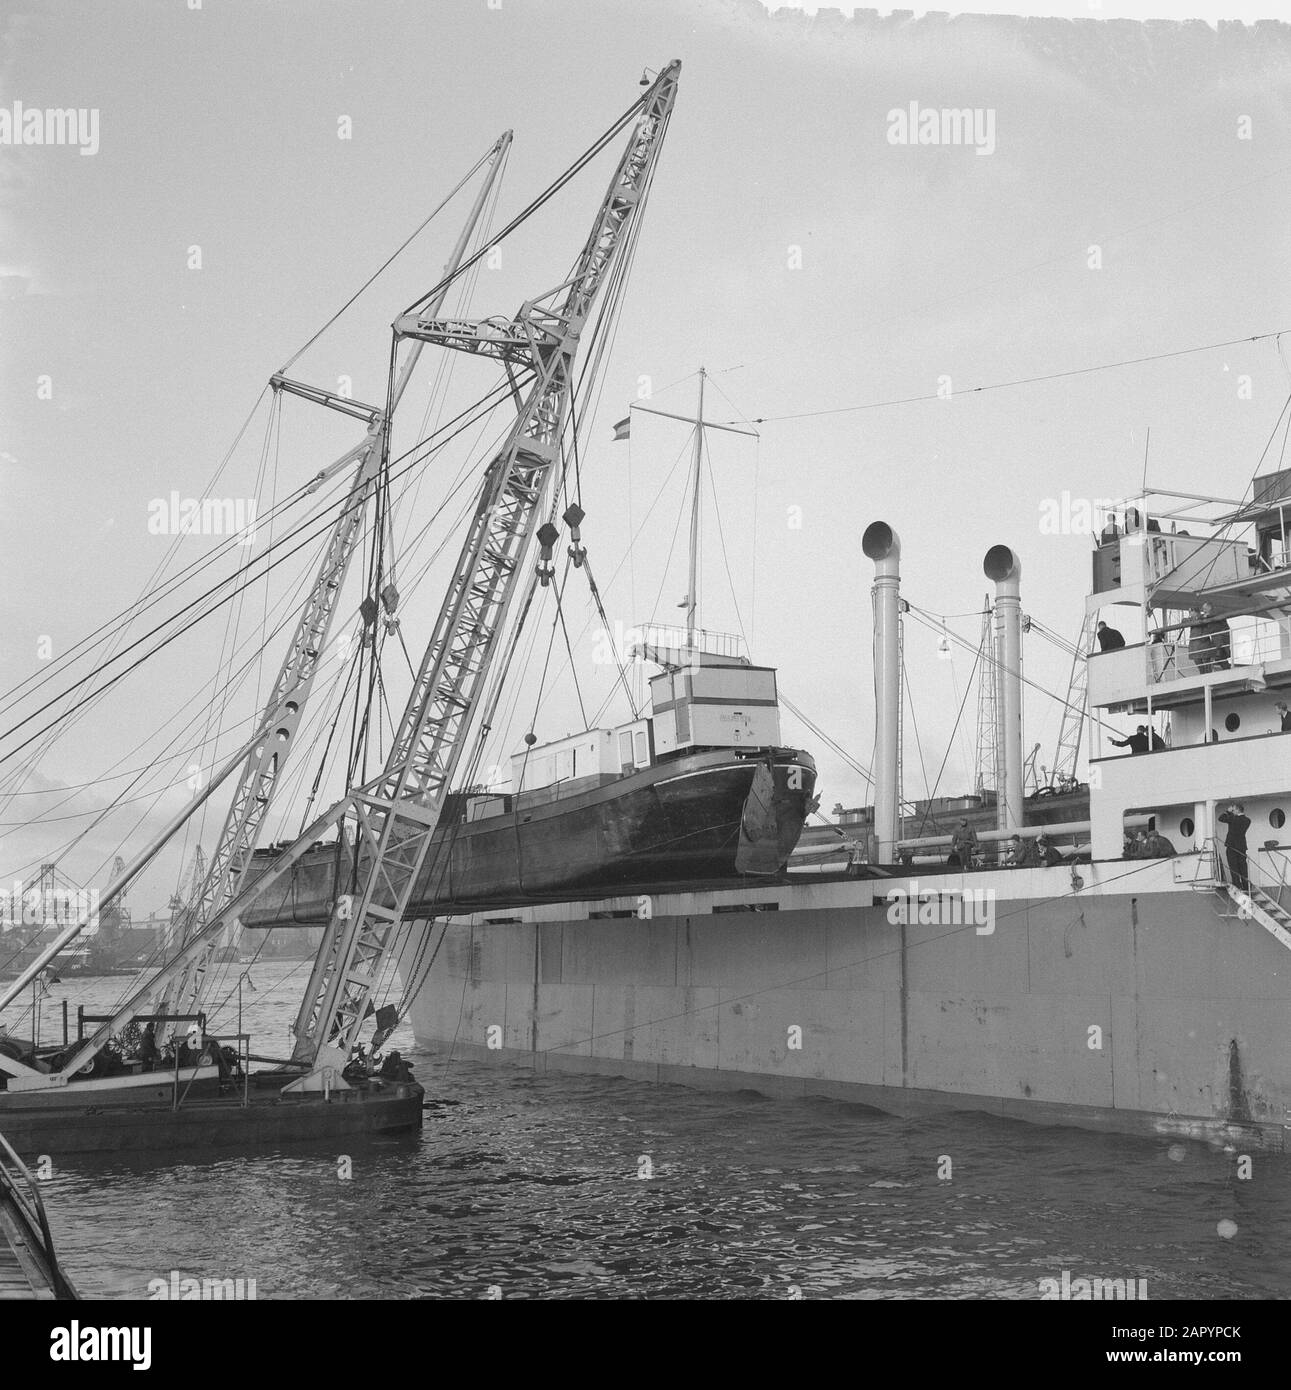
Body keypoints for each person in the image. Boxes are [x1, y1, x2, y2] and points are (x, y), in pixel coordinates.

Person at [1218, 802, 1251, 893]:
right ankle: (1245, 885)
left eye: (1233, 809)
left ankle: (1237, 885)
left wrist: (1227, 811)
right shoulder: (1247, 820)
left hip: (1232, 846)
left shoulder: (1233, 818)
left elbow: (1220, 818)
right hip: (1242, 846)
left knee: (1233, 866)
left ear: (1236, 810)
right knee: (1242, 866)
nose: (1232, 811)